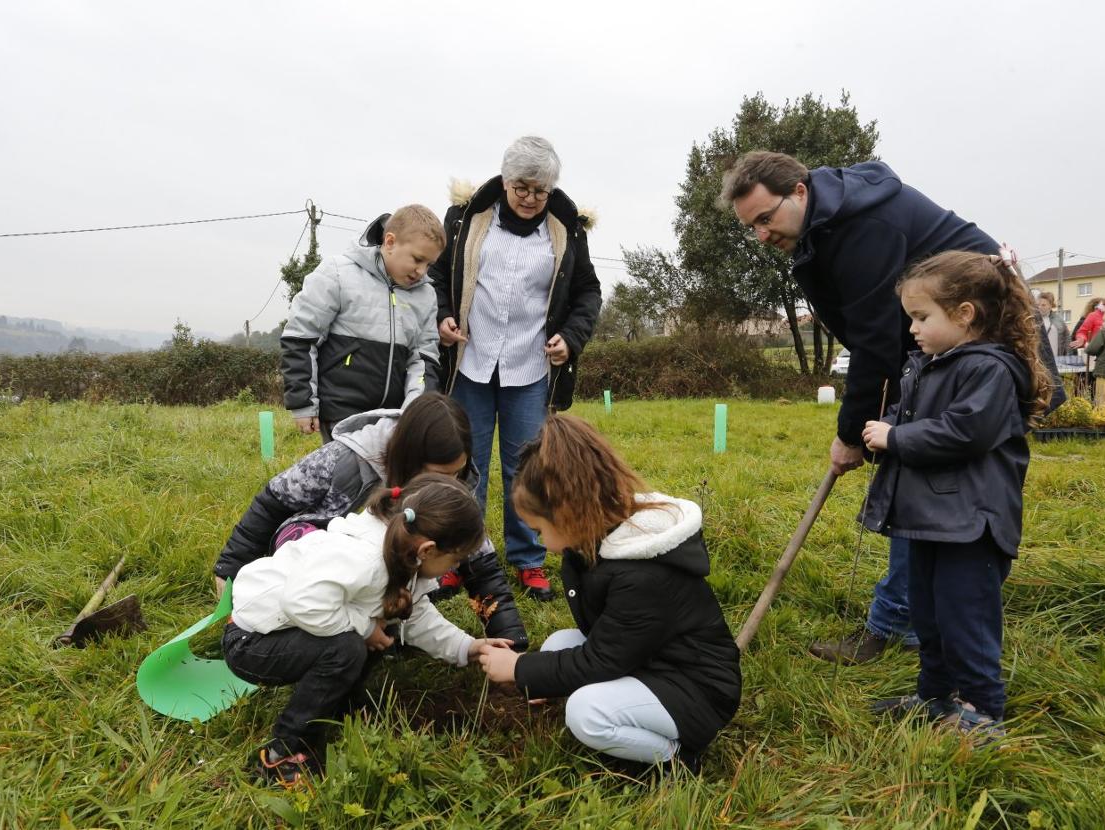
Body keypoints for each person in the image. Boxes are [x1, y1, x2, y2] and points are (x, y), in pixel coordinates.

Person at [720, 150, 1063, 664]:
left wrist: (851, 434)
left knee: (931, 482)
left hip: (975, 345)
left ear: (798, 190)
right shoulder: (829, 219)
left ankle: (911, 620)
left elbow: (875, 340)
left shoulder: (864, 228)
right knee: (922, 477)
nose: (762, 235)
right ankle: (916, 614)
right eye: (753, 227)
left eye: (766, 219)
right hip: (937, 345)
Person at [476, 415, 741, 773]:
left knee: (586, 713)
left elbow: (602, 660)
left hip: (696, 691)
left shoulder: (642, 577)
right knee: (557, 645)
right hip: (651, 661)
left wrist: (521, 668)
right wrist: (542, 674)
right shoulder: (593, 538)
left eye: (539, 529)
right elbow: (608, 645)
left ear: (568, 513)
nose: (538, 540)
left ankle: (676, 758)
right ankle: (625, 713)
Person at [860, 251, 1053, 738]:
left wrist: (896, 438)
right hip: (931, 517)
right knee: (928, 614)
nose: (913, 330)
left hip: (971, 523)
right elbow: (918, 419)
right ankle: (935, 696)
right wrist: (888, 426)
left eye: (922, 318)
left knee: (965, 618)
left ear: (965, 314)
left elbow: (966, 432)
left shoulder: (989, 369)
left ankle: (983, 711)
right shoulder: (932, 364)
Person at [224, 474, 512, 787]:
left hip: (290, 627)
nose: (454, 568)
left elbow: (414, 616)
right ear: (428, 549)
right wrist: (364, 628)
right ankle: (285, 751)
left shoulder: (403, 550)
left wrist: (468, 646)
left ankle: (337, 706)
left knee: (379, 631)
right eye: (455, 560)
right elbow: (300, 602)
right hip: (252, 639)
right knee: (347, 649)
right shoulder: (366, 559)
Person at [213, 392, 528, 649]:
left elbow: (478, 559)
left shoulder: (449, 487)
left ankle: (383, 629)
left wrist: (510, 638)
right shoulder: (345, 459)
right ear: (407, 457)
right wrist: (228, 571)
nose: (448, 483)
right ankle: (316, 632)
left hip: (380, 575)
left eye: (456, 474)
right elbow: (272, 502)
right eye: (438, 474)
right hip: (311, 554)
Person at [429, 136, 602, 601]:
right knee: (465, 466)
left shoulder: (567, 230)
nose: (530, 198)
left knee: (528, 467)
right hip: (471, 363)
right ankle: (458, 555)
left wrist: (571, 338)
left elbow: (588, 294)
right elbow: (438, 275)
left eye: (540, 190)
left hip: (530, 368)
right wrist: (443, 317)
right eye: (522, 187)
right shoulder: (467, 219)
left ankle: (528, 560)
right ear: (505, 182)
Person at [280, 205, 445, 444]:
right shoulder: (336, 273)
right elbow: (300, 338)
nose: (422, 271)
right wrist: (303, 403)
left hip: (393, 417)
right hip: (340, 411)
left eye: (430, 264)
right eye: (417, 259)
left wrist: (413, 413)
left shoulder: (426, 296)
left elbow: (424, 358)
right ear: (390, 242)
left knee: (388, 480)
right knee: (349, 479)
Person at [1036, 291, 1069, 358]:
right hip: (1038, 358)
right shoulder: (1032, 320)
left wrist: (1067, 357)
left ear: (1050, 306)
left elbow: (1067, 340)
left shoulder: (1059, 321)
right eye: (1038, 305)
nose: (1040, 307)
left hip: (1055, 358)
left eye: (1043, 305)